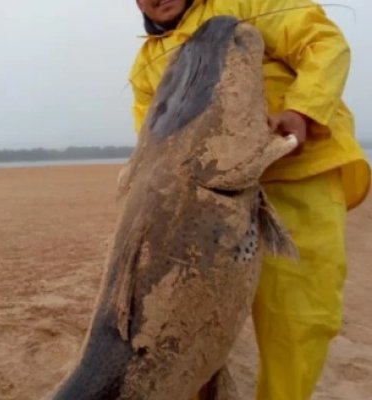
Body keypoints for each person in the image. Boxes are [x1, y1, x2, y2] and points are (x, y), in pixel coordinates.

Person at [129, 0, 371, 399]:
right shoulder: (144, 66)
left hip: (296, 176)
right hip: (200, 208)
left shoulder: (245, 2)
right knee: (183, 323)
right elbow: (152, 144)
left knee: (297, 320)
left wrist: (303, 109)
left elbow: (324, 43)